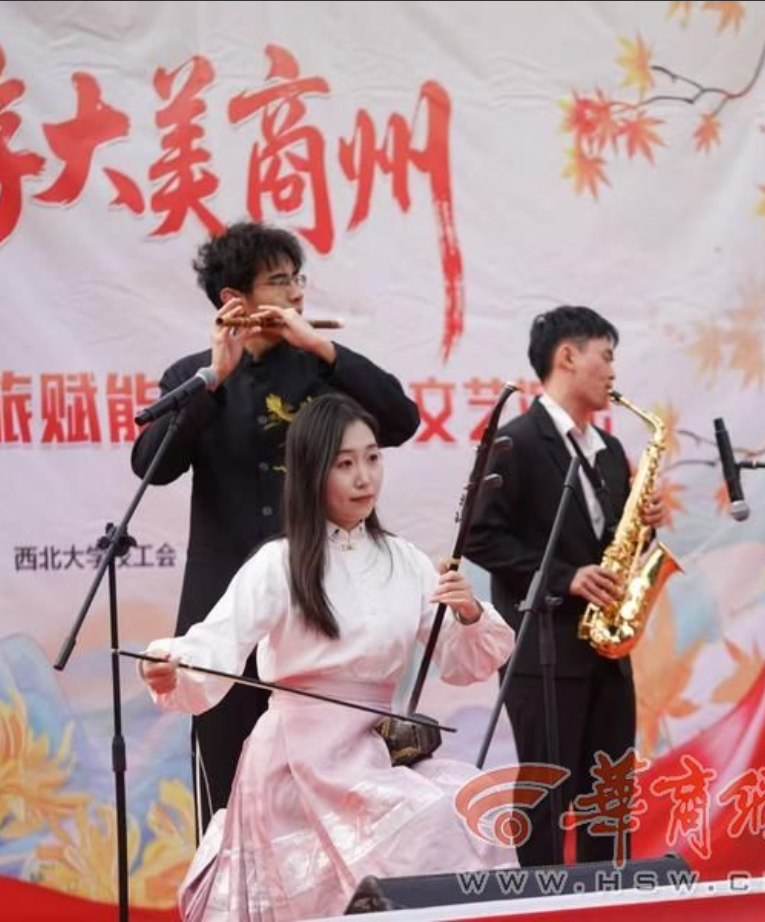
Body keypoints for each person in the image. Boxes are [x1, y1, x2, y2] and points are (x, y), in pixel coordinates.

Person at [138, 393, 516, 919]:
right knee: (414, 829)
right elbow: (214, 647)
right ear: (313, 473)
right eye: (345, 464)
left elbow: (461, 662)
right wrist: (167, 661)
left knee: (468, 807)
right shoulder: (279, 562)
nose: (364, 477)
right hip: (296, 762)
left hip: (373, 750)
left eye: (372, 458)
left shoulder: (404, 560)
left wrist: (470, 613)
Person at [131, 222, 420, 830]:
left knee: (325, 796)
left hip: (317, 602)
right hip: (224, 605)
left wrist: (324, 349)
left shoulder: (320, 370)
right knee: (225, 787)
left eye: (298, 279)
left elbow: (400, 420)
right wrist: (216, 375)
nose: (296, 293)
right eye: (279, 281)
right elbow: (152, 466)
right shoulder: (195, 375)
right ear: (234, 299)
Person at [465, 305, 666, 867]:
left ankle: (609, 896)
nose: (613, 372)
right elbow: (479, 536)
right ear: (568, 357)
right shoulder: (515, 441)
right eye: (606, 356)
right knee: (545, 796)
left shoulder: (610, 452)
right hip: (543, 652)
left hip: (606, 652)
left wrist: (645, 526)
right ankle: (541, 901)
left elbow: (615, 547)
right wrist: (564, 577)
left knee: (609, 796)